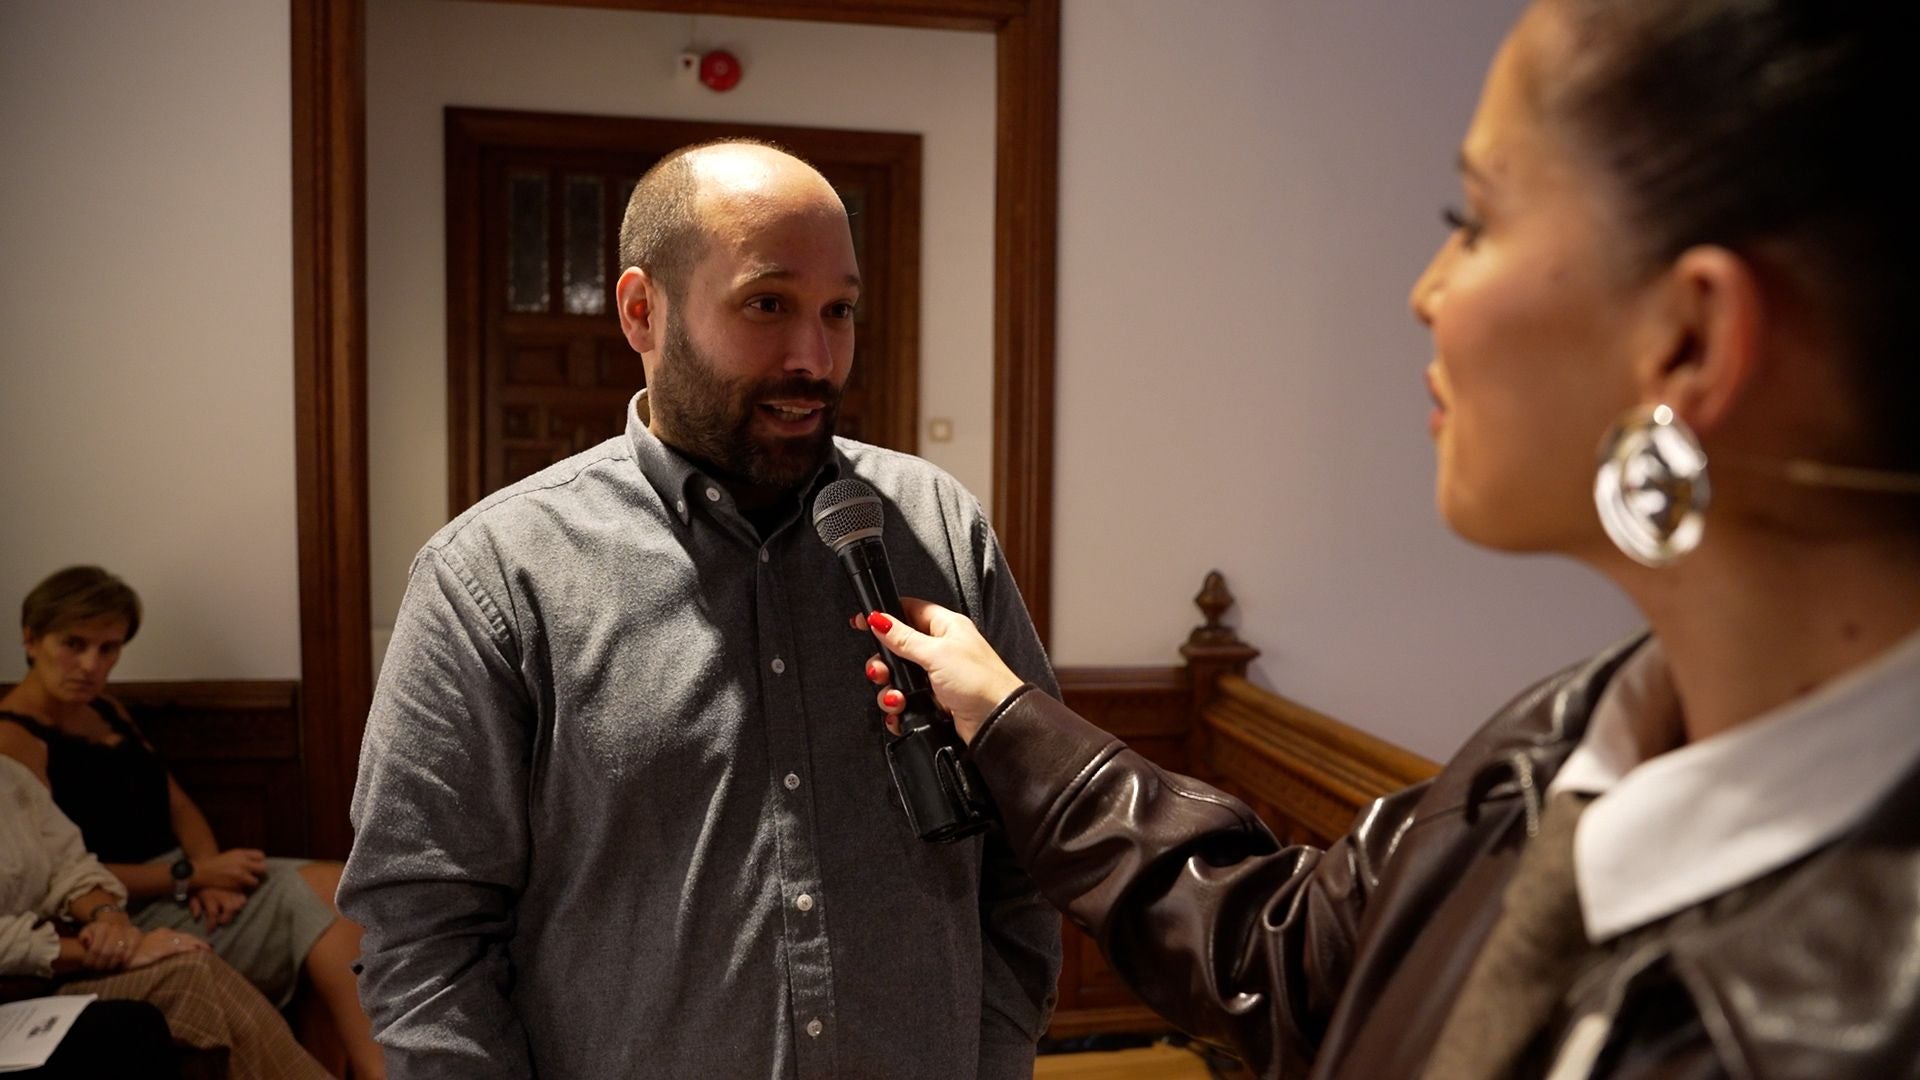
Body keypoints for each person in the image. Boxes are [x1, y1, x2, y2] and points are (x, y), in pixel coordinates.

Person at [854, 1, 1920, 1077]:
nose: (1426, 292)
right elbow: (1283, 952)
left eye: (1477, 218)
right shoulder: (1571, 735)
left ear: (1690, 340)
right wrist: (1005, 720)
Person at [339, 140, 1060, 1078]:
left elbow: (1031, 843)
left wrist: (988, 1054)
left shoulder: (934, 527)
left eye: (838, 311)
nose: (815, 356)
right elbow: (424, 935)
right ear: (642, 310)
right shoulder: (494, 577)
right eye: (768, 305)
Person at [0, 566, 385, 1079]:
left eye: (109, 649)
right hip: (128, 900)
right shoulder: (13, 743)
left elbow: (176, 802)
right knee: (313, 902)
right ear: (31, 639)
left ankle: (370, 1068)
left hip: (178, 880)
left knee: (334, 889)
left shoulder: (107, 710)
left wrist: (207, 867)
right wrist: (189, 878)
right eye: (74, 644)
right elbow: (59, 875)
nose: (91, 664)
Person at [2, 754, 329, 1079]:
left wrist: (110, 918)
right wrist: (103, 950)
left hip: (53, 973)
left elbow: (71, 867)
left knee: (193, 965)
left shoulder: (11, 775)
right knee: (187, 984)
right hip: (19, 991)